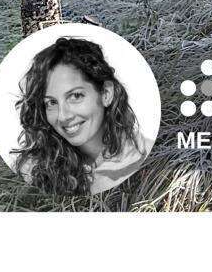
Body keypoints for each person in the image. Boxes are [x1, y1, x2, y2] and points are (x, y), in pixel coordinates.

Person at [13, 37, 150, 196]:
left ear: (106, 93)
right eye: (51, 103)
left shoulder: (145, 157)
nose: (63, 116)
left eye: (76, 96)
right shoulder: (35, 168)